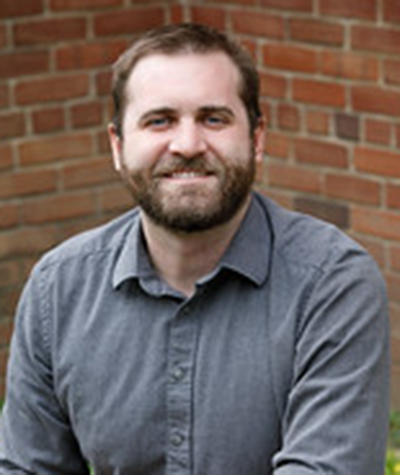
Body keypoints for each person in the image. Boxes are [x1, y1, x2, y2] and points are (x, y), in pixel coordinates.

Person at [0, 23, 390, 475]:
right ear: (118, 146)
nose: (187, 145)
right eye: (159, 120)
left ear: (257, 138)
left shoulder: (331, 285)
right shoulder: (58, 290)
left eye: (213, 119)